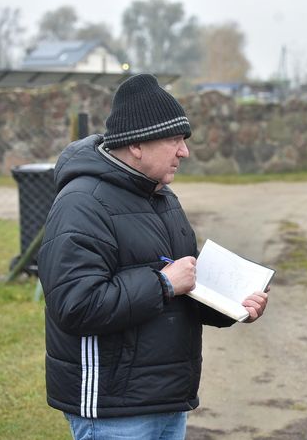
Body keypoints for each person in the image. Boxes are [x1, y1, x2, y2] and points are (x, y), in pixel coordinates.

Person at [37, 74, 268, 440]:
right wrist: (162, 283)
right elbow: (74, 304)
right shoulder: (82, 203)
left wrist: (234, 306)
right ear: (137, 145)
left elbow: (184, 288)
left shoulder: (163, 199)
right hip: (113, 410)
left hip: (167, 400)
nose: (184, 152)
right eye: (174, 140)